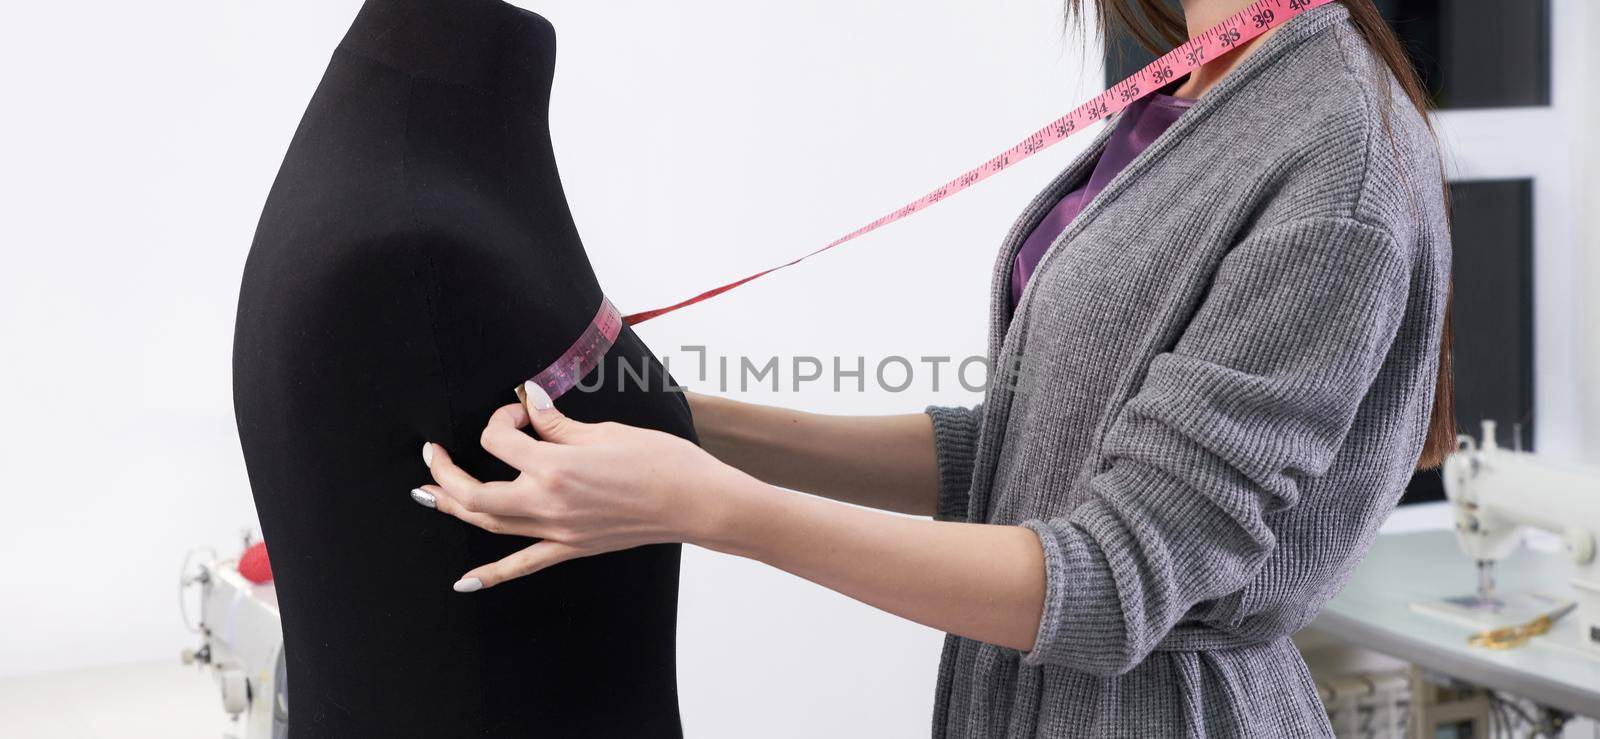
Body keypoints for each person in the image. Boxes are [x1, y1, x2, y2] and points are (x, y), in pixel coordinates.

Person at [408, 0, 1454, 735]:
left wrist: (709, 506)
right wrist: (667, 415)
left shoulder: (1335, 156)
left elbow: (1112, 582)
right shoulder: (1198, 88)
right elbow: (1022, 454)